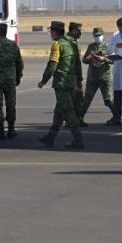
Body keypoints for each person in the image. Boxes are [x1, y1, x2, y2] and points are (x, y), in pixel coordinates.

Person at [38, 21, 84, 149]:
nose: (50, 34)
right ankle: (50, 137)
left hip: (62, 84)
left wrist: (43, 81)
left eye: (51, 31)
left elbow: (52, 66)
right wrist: (79, 81)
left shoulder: (57, 45)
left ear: (55, 32)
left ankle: (78, 139)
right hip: (72, 84)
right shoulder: (72, 43)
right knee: (59, 112)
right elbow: (77, 64)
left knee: (69, 112)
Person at [79, 26, 118, 125]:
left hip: (105, 76)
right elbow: (84, 60)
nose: (97, 37)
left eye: (99, 35)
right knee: (87, 99)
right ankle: (79, 118)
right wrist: (88, 59)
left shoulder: (108, 46)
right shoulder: (91, 46)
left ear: (103, 35)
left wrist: (103, 59)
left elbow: (113, 59)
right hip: (92, 77)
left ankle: (116, 117)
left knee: (108, 99)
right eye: (95, 36)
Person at [67, 22, 86, 126]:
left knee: (79, 100)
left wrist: (79, 78)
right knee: (69, 100)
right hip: (70, 77)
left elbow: (78, 62)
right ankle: (69, 121)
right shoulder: (67, 42)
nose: (80, 34)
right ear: (74, 30)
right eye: (79, 31)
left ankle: (78, 119)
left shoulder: (75, 42)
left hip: (76, 76)